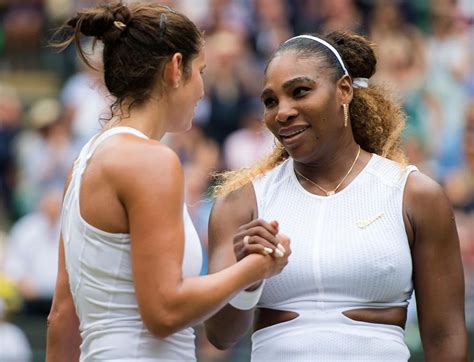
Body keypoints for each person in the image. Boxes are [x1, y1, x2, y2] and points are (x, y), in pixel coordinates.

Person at [45, 2, 290, 361]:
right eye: (201, 71)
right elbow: (164, 313)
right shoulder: (152, 160)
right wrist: (256, 267)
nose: (203, 90)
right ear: (176, 68)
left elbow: (61, 316)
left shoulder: (83, 162)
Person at [205, 31, 467, 360]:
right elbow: (220, 335)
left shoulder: (414, 195)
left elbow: (445, 334)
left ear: (344, 90)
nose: (282, 112)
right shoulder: (240, 202)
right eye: (270, 101)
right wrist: (247, 278)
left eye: (299, 91)